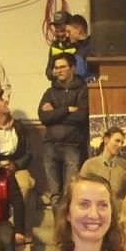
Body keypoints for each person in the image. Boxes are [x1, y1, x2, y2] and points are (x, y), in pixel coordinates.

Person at [38, 53, 88, 204]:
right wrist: (66, 109)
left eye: (63, 67)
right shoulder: (49, 92)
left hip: (73, 146)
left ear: (73, 68)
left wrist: (55, 112)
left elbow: (81, 116)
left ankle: (69, 227)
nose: (59, 71)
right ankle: (58, 227)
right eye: (56, 67)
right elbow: (44, 117)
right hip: (50, 146)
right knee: (55, 195)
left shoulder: (83, 90)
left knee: (70, 193)